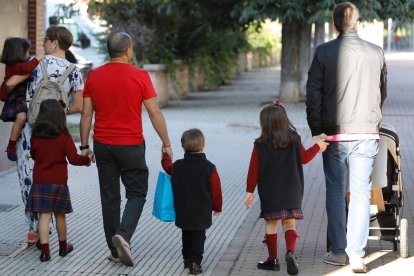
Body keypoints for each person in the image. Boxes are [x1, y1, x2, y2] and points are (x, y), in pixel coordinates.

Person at [306, 2, 387, 273]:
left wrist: (316, 130)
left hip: (334, 134)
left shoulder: (323, 52)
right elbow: (382, 92)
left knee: (335, 191)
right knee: (362, 193)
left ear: (335, 24)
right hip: (366, 132)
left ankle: (339, 251)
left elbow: (313, 95)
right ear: (357, 23)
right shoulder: (376, 52)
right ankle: (357, 255)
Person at [79, 32, 172, 267]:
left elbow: (86, 113)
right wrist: (167, 143)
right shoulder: (140, 76)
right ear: (128, 50)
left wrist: (84, 147)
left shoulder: (94, 76)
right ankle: (124, 235)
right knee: (137, 192)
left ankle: (114, 250)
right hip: (130, 145)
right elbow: (154, 113)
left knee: (109, 197)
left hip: (102, 145)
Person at [6, 26, 84, 244]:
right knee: (51, 175)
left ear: (55, 43)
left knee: (29, 178)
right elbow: (78, 106)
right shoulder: (75, 71)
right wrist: (58, 111)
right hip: (57, 131)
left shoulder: (35, 65)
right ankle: (48, 228)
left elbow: (11, 84)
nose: (42, 44)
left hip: (30, 132)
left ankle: (35, 228)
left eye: (45, 41)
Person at [244, 103, 328, 275]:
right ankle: (290, 252)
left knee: (271, 224)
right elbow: (304, 159)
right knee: (289, 223)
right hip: (292, 190)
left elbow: (254, 169)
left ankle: (273, 260)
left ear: (264, 124)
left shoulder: (260, 144)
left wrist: (249, 191)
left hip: (270, 192)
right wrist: (318, 147)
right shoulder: (294, 139)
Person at [25, 99, 93, 262]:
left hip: (41, 181)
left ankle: (45, 253)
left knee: (44, 216)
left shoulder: (36, 134)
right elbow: (74, 159)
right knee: (60, 215)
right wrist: (88, 159)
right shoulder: (63, 136)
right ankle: (63, 248)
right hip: (59, 181)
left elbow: (34, 154)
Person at [161, 128, 222, 275]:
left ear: (183, 147)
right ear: (203, 146)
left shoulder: (177, 166)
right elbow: (216, 189)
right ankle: (195, 261)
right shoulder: (210, 168)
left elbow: (167, 166)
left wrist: (165, 155)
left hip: (183, 209)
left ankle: (187, 259)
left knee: (186, 233)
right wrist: (217, 207)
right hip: (201, 211)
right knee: (199, 236)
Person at [0, 37, 45, 161]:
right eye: (26, 51)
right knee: (21, 117)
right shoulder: (13, 66)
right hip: (16, 97)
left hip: (20, 95)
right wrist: (37, 58)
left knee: (24, 119)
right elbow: (26, 69)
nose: (28, 54)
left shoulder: (17, 64)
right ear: (18, 52)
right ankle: (11, 145)